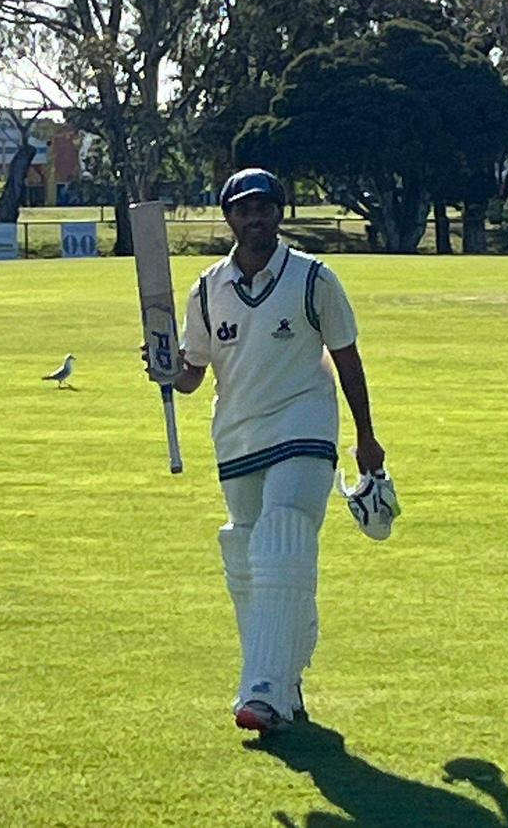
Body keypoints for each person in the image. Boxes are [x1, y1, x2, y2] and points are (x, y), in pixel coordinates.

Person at [146, 168, 386, 733]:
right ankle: (288, 675)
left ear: (280, 214)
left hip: (304, 424)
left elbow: (347, 359)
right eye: (244, 209)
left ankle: (262, 691)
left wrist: (366, 436)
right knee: (250, 559)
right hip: (237, 436)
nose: (255, 219)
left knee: (283, 537)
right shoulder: (207, 288)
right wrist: (165, 367)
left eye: (265, 209)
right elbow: (194, 374)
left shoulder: (313, 279)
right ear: (229, 216)